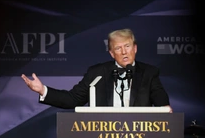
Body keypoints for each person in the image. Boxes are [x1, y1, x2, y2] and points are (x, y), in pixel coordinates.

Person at [21, 28, 173, 112]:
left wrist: (166, 109)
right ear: (112, 53)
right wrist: (43, 90)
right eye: (118, 48)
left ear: (135, 48)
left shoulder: (149, 72)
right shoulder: (97, 73)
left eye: (127, 46)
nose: (124, 52)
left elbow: (162, 104)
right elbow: (73, 99)